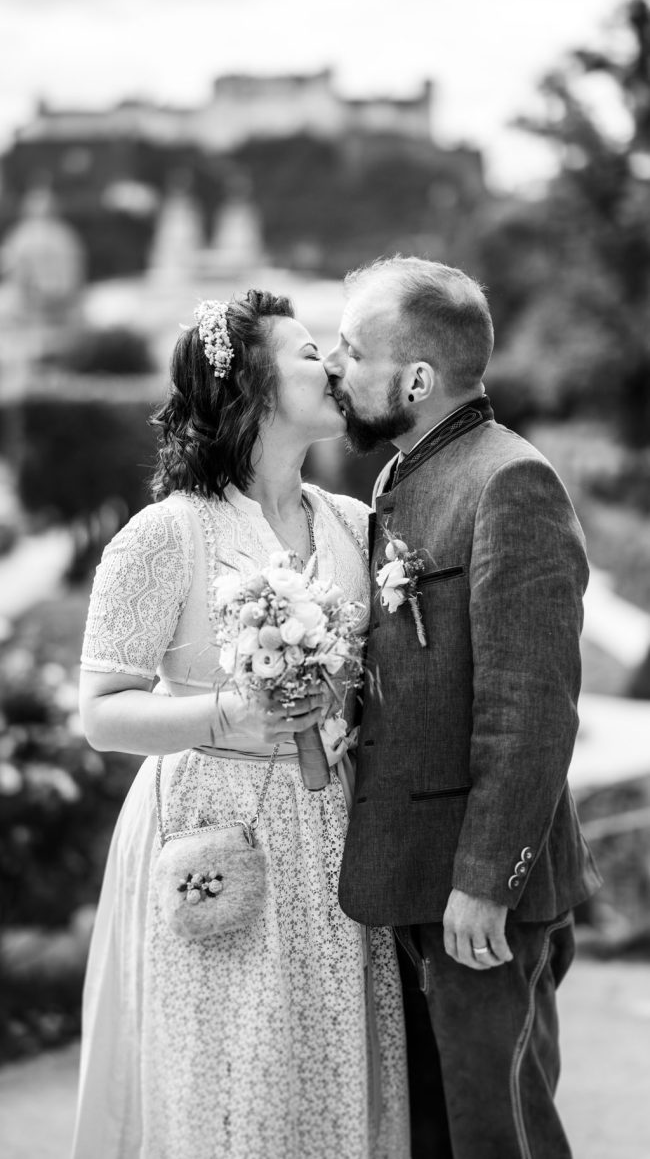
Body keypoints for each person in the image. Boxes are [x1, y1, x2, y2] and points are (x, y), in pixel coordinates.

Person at [71, 290, 409, 1159]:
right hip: (209, 830)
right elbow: (101, 713)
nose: (333, 366)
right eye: (308, 354)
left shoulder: (355, 525)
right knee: (226, 1082)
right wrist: (229, 710)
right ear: (252, 389)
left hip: (332, 833)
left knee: (333, 1077)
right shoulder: (165, 536)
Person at [324, 256, 602, 1159]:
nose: (334, 366)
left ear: (415, 378)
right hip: (412, 881)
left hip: (480, 901)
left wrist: (486, 880)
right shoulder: (402, 477)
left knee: (499, 1136)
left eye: (351, 349)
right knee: (438, 1135)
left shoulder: (510, 481)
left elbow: (532, 706)